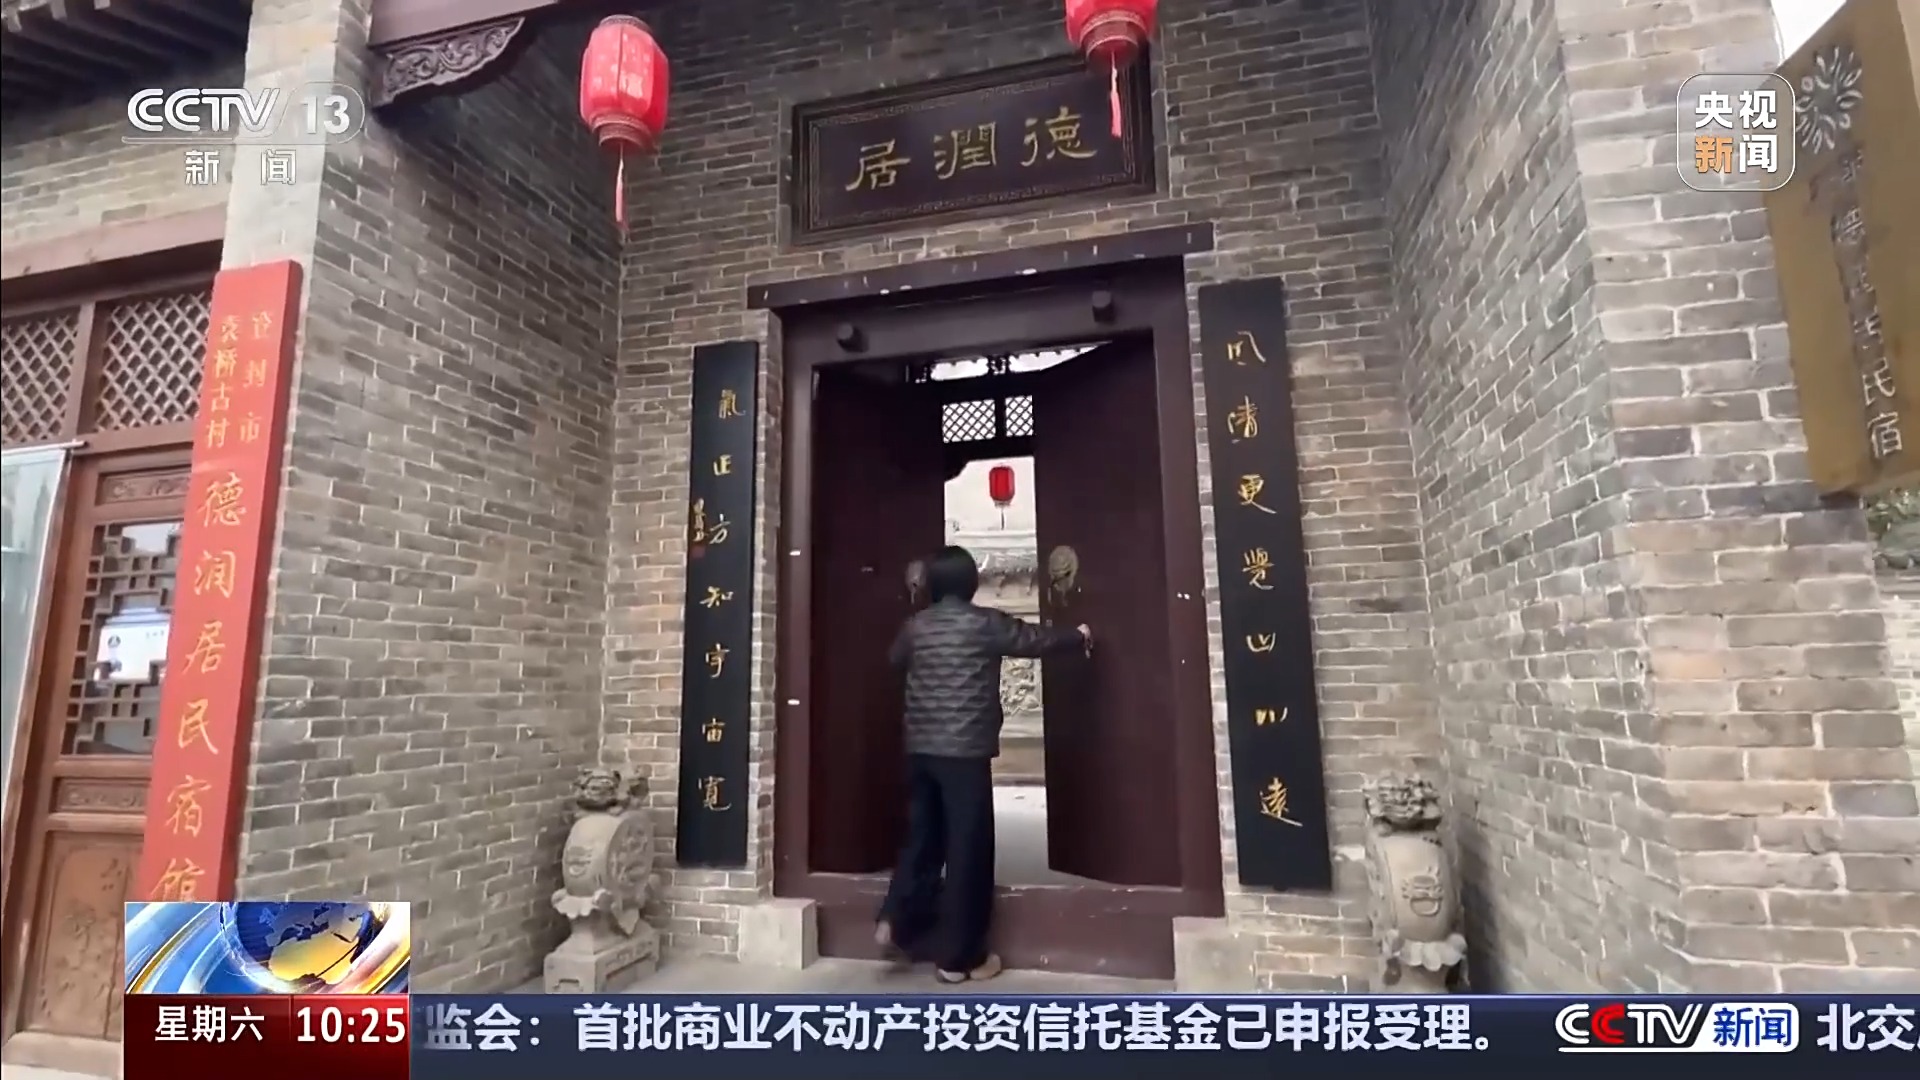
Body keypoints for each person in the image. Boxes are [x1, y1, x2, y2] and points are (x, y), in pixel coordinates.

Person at [874, 544, 1092, 982]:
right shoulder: (985, 623)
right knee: (967, 850)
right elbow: (1035, 640)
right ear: (971, 583)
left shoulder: (915, 627)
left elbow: (894, 659)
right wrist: (1079, 635)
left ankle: (895, 918)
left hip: (921, 750)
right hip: (965, 754)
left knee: (922, 838)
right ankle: (960, 959)